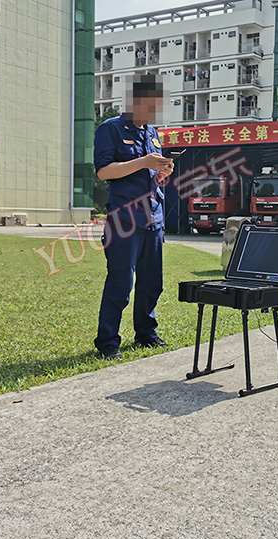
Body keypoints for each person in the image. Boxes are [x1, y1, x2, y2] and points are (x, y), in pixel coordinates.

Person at [93, 74, 174, 360]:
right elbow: (104, 172)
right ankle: (108, 342)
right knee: (120, 282)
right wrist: (143, 162)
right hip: (124, 220)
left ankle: (146, 333)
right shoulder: (111, 129)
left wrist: (162, 173)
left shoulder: (152, 134)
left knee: (152, 282)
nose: (154, 111)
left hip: (153, 218)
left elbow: (150, 175)